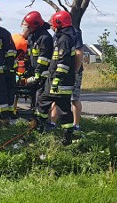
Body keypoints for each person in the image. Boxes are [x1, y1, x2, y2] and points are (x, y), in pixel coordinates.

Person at [35, 11, 76, 145]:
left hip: (59, 82)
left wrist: (57, 79)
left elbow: (63, 62)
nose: (52, 25)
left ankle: (42, 128)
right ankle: (66, 136)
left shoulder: (64, 40)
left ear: (59, 23)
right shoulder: (62, 37)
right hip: (58, 80)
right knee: (57, 107)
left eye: (53, 23)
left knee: (54, 105)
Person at [21, 11, 53, 112]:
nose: (27, 28)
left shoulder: (45, 38)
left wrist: (37, 73)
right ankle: (34, 116)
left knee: (41, 97)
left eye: (29, 26)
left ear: (36, 25)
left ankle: (40, 121)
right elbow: (31, 55)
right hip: (34, 72)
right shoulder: (33, 36)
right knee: (34, 96)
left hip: (43, 73)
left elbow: (44, 58)